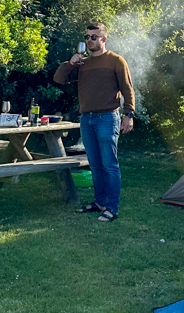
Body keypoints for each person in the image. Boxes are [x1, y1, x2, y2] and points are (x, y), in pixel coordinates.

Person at [54, 22, 135, 222]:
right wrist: (71, 63)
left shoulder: (116, 60)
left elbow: (127, 89)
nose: (89, 40)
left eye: (94, 37)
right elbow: (59, 78)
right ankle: (99, 202)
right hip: (86, 118)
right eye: (87, 36)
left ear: (104, 39)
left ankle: (112, 208)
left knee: (109, 165)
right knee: (95, 165)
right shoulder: (83, 63)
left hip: (108, 117)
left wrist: (129, 114)